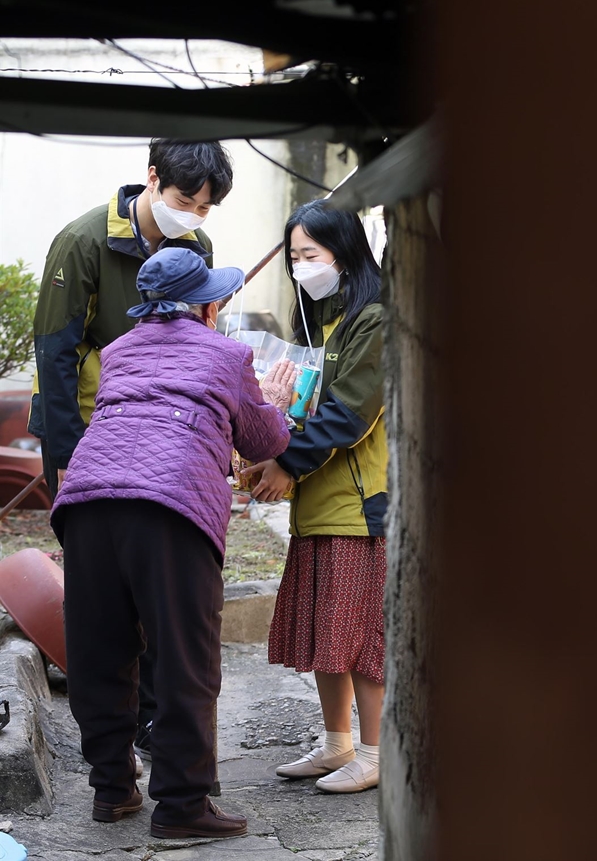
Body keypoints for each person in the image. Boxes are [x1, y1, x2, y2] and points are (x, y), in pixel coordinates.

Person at [50, 247, 296, 839]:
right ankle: (183, 806)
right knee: (184, 654)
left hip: (88, 500)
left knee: (101, 648)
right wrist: (278, 403)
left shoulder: (117, 351)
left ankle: (112, 790)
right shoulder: (228, 354)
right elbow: (262, 441)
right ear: (207, 307)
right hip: (171, 505)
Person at [29, 137, 234, 759]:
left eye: (205, 208)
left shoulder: (193, 246)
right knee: (105, 591)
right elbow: (55, 353)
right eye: (183, 201)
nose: (194, 218)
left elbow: (205, 342)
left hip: (168, 443)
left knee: (161, 588)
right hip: (91, 436)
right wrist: (64, 456)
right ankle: (115, 745)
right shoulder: (85, 240)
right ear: (151, 180)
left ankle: (153, 727)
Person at [243, 199, 387, 794]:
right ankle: (337, 745)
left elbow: (351, 415)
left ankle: (378, 753)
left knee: (359, 636)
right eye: (295, 256)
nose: (302, 267)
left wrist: (286, 463)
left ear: (345, 252)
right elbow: (306, 405)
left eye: (312, 254)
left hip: (356, 503)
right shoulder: (324, 321)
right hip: (318, 501)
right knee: (329, 631)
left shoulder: (374, 320)